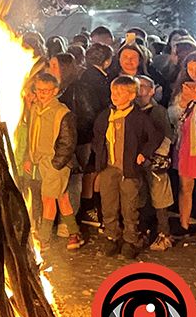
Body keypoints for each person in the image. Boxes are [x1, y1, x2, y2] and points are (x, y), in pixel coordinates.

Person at [91, 76, 162, 259]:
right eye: (113, 92)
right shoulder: (106, 116)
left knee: (130, 207)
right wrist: (100, 155)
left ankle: (131, 239)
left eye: (120, 93)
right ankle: (112, 236)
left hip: (129, 170)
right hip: (109, 168)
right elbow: (97, 136)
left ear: (131, 96)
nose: (115, 96)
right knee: (109, 205)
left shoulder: (139, 118)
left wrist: (143, 153)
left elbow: (154, 136)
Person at [16, 73, 81, 250]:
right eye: (39, 90)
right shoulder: (35, 109)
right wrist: (29, 157)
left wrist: (56, 163)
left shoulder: (62, 113)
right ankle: (74, 233)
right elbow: (31, 135)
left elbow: (68, 141)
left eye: (46, 90)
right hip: (40, 161)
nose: (42, 93)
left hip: (55, 162)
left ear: (55, 91)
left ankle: (44, 238)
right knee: (62, 197)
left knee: (48, 198)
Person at [170, 52, 196, 240]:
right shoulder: (182, 87)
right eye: (190, 68)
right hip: (186, 140)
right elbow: (172, 116)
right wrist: (183, 102)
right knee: (184, 184)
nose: (194, 72)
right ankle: (183, 222)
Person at [71, 42, 114, 225]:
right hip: (93, 132)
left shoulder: (87, 76)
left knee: (92, 171)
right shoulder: (95, 80)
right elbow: (93, 109)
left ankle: (89, 208)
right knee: (92, 171)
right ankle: (88, 208)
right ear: (107, 61)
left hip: (89, 130)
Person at [136, 76, 175, 251]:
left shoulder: (158, 111)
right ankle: (143, 230)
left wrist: (159, 157)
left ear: (152, 90)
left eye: (143, 86)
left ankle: (164, 233)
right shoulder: (133, 110)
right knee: (142, 197)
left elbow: (167, 135)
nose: (139, 90)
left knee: (160, 198)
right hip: (138, 161)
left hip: (154, 162)